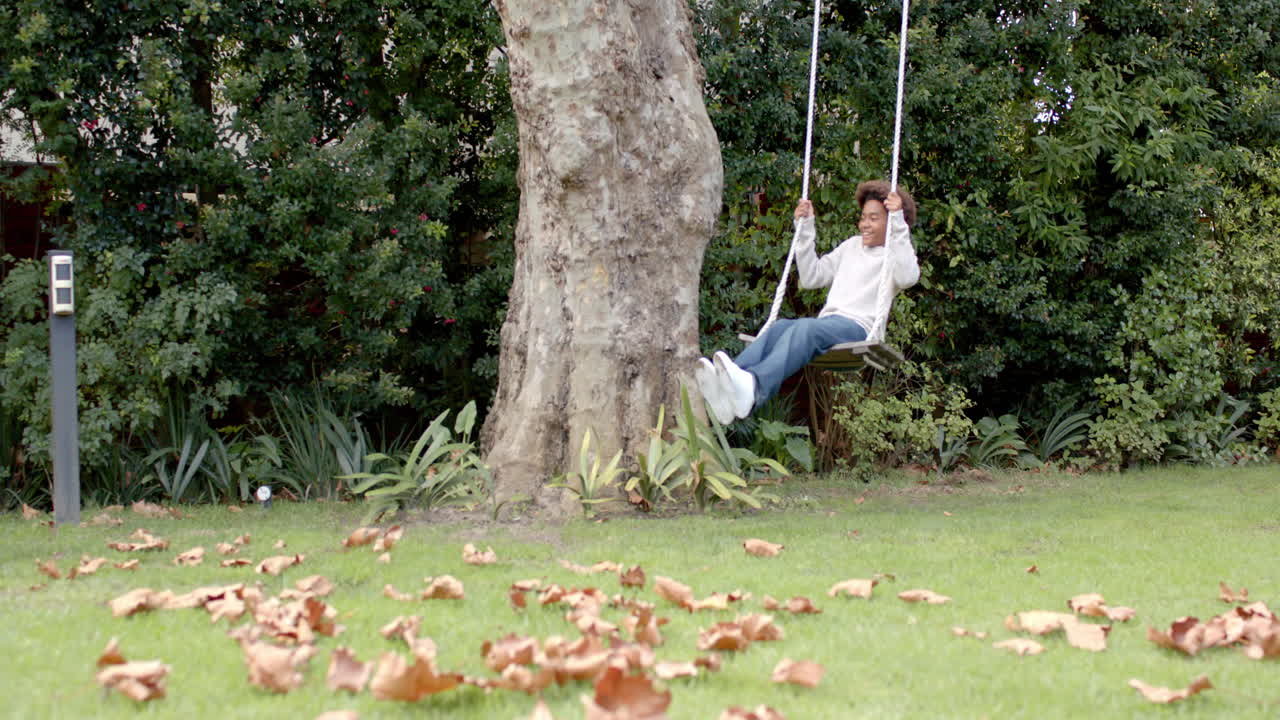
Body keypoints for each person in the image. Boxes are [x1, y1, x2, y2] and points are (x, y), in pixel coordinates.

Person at [696, 180, 920, 425]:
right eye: (863, 217)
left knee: (806, 328)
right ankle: (727, 386)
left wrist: (898, 222)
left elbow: (909, 277)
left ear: (892, 222)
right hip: (830, 325)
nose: (864, 224)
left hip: (858, 329)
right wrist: (805, 229)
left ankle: (755, 387)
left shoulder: (895, 257)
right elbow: (812, 276)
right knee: (780, 327)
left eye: (874, 218)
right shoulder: (851, 246)